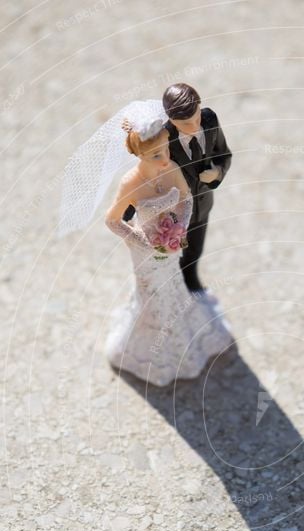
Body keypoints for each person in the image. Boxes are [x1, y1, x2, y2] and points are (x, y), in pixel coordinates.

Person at [103, 112, 234, 386]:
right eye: (155, 156)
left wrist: (178, 228)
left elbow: (185, 200)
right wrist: (140, 240)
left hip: (171, 245)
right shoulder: (131, 183)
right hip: (145, 251)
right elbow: (112, 220)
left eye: (164, 151)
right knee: (152, 297)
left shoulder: (171, 167)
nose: (164, 159)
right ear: (139, 155)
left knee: (174, 291)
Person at [122, 83, 232, 293]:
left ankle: (191, 283)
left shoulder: (209, 121)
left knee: (195, 250)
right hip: (172, 212)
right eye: (185, 123)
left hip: (203, 202)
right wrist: (128, 210)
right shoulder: (163, 138)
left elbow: (224, 154)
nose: (194, 126)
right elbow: (145, 173)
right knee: (169, 255)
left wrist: (217, 172)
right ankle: (171, 289)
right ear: (171, 120)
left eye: (196, 118)